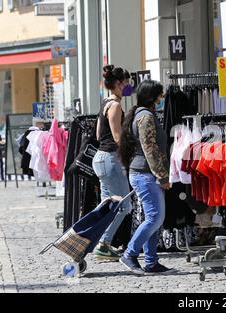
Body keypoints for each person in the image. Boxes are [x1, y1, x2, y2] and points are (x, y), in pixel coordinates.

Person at [118, 80, 175, 275]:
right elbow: (149, 148)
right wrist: (162, 176)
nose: (161, 99)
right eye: (160, 95)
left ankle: (151, 262)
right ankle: (130, 254)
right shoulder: (146, 117)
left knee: (155, 219)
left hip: (145, 173)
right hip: (146, 174)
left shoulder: (143, 115)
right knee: (154, 218)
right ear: (152, 97)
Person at [92, 65, 133, 261]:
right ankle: (104, 243)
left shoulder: (105, 103)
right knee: (125, 206)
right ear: (118, 83)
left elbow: (99, 134)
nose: (129, 86)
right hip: (110, 158)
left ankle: (98, 242)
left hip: (100, 158)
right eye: (126, 83)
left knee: (106, 206)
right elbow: (117, 138)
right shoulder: (115, 106)